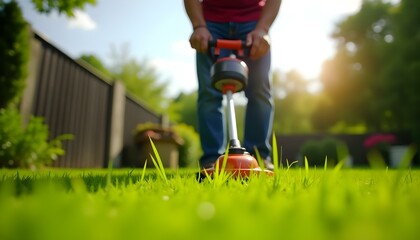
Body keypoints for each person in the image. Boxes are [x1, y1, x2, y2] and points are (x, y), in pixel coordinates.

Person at [184, 0, 281, 170]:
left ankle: (258, 157)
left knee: (260, 92)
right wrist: (199, 26)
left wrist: (263, 28)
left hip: (254, 23)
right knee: (209, 93)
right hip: (210, 23)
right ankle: (212, 159)